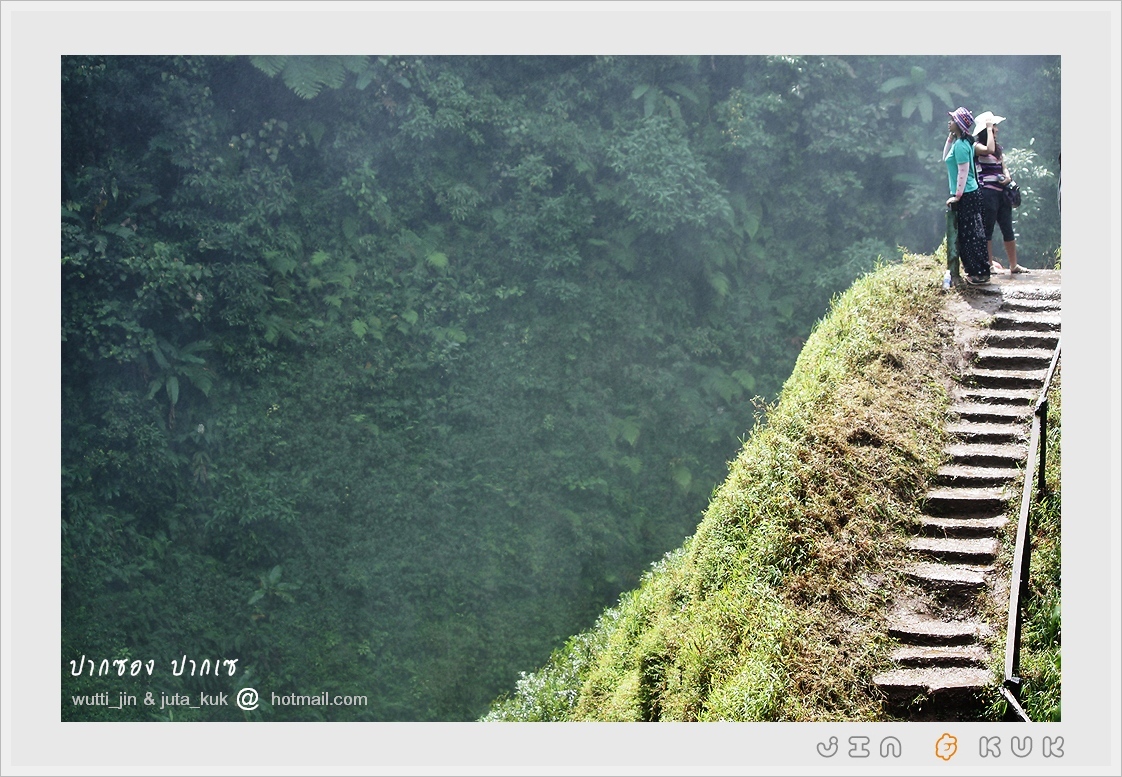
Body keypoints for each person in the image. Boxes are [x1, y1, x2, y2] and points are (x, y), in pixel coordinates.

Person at [972, 111, 1028, 274]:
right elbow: (988, 149)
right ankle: (989, 264)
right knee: (988, 229)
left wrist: (1007, 177)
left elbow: (1003, 166)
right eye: (993, 126)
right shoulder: (977, 147)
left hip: (1001, 193)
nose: (996, 129)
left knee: (1007, 228)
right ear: (985, 130)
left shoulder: (998, 149)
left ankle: (1013, 265)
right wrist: (989, 128)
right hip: (987, 193)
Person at [942, 107, 990, 285]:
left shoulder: (962, 145)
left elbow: (963, 172)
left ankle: (979, 273)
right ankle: (976, 271)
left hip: (967, 193)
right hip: (967, 193)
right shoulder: (959, 143)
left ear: (959, 124)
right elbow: (945, 157)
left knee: (971, 235)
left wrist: (957, 196)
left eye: (953, 120)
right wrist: (950, 137)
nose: (949, 122)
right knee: (968, 234)